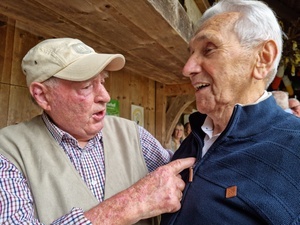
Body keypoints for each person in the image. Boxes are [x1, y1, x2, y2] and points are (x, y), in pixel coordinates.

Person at [0, 38, 195, 225]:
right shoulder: (8, 151)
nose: (105, 96)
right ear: (42, 95)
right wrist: (133, 203)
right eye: (86, 86)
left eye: (102, 81)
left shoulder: (133, 134)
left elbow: (190, 177)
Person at [161, 0, 300, 224]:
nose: (187, 69)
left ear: (262, 58)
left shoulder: (295, 149)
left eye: (209, 49)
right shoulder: (195, 138)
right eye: (191, 54)